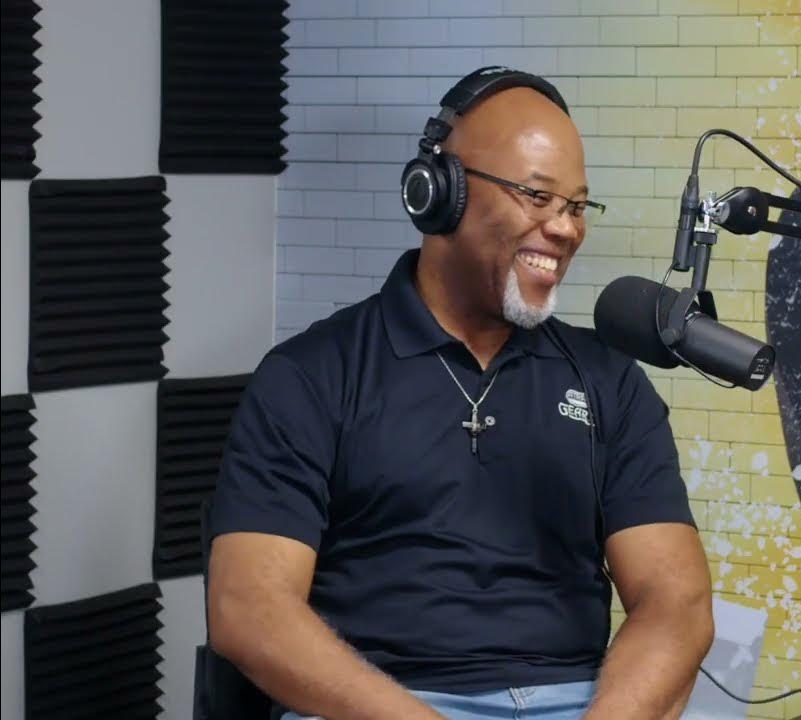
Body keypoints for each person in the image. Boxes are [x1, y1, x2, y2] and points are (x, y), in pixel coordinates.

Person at [206, 68, 714, 720]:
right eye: (538, 196)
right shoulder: (310, 376)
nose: (565, 228)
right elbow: (248, 608)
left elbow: (677, 602)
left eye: (576, 206)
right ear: (440, 192)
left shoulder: (609, 380)